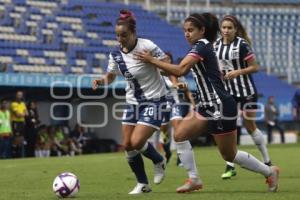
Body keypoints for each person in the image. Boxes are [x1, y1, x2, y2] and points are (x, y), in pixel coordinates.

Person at [136, 12, 279, 192]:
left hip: (219, 105)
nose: (186, 34)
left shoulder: (202, 46)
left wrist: (151, 60)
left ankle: (269, 172)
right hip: (206, 105)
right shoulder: (200, 46)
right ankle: (194, 179)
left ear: (202, 31)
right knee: (179, 135)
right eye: (185, 30)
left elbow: (180, 69)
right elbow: (176, 70)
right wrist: (151, 66)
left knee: (229, 154)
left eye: (191, 30)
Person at [92, 9, 167, 194]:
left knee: (136, 141)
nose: (120, 39)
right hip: (133, 103)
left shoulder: (146, 46)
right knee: (126, 144)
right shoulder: (115, 55)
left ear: (133, 33)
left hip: (155, 101)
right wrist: (102, 81)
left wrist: (152, 60)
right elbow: (110, 77)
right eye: (117, 35)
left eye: (123, 35)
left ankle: (158, 160)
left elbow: (166, 64)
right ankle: (143, 184)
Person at [214, 15, 272, 179]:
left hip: (246, 91)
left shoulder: (242, 44)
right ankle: (230, 165)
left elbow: (255, 67)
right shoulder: (216, 45)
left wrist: (238, 72)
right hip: (228, 92)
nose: (226, 31)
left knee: (249, 125)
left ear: (236, 29)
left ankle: (267, 161)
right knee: (229, 127)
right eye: (224, 27)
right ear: (220, 29)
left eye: (229, 28)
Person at [161, 52, 202, 193]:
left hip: (175, 105)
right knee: (164, 133)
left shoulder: (177, 73)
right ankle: (167, 153)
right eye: (164, 59)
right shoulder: (157, 74)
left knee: (178, 133)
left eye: (168, 59)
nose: (166, 61)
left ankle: (181, 159)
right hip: (161, 107)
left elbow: (186, 89)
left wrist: (192, 102)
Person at [10, 91, 28, 157]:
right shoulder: (13, 104)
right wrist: (22, 114)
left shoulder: (23, 104)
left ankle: (19, 154)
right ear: (16, 96)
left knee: (21, 139)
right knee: (16, 139)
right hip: (16, 122)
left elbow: (27, 113)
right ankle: (14, 154)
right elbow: (17, 115)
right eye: (18, 95)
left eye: (21, 95)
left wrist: (22, 114)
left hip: (21, 122)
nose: (19, 96)